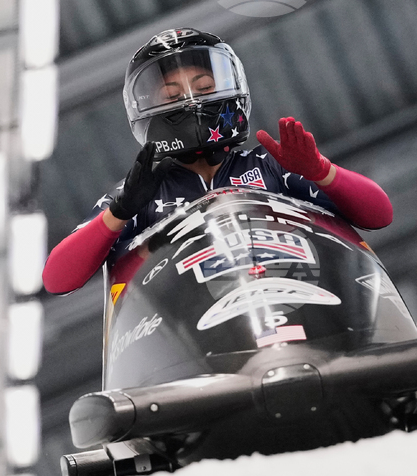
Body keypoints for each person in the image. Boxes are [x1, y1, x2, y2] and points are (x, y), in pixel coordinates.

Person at [42, 28, 394, 295]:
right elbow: (57, 278)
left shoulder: (272, 165)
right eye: (173, 95)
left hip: (298, 298)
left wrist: (321, 171)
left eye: (205, 87)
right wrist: (119, 212)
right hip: (197, 330)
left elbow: (379, 215)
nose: (192, 102)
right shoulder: (138, 192)